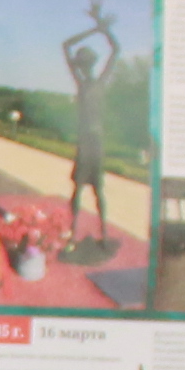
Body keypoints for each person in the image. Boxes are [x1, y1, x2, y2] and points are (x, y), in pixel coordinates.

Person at [62, 14, 121, 242]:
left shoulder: (99, 82)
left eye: (87, 62)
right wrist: (96, 29)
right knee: (78, 189)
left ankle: (103, 233)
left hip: (95, 143)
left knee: (97, 191)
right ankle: (73, 232)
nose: (85, 66)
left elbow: (116, 49)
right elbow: (66, 45)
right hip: (86, 142)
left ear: (91, 64)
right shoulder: (82, 83)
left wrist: (102, 28)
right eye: (82, 63)